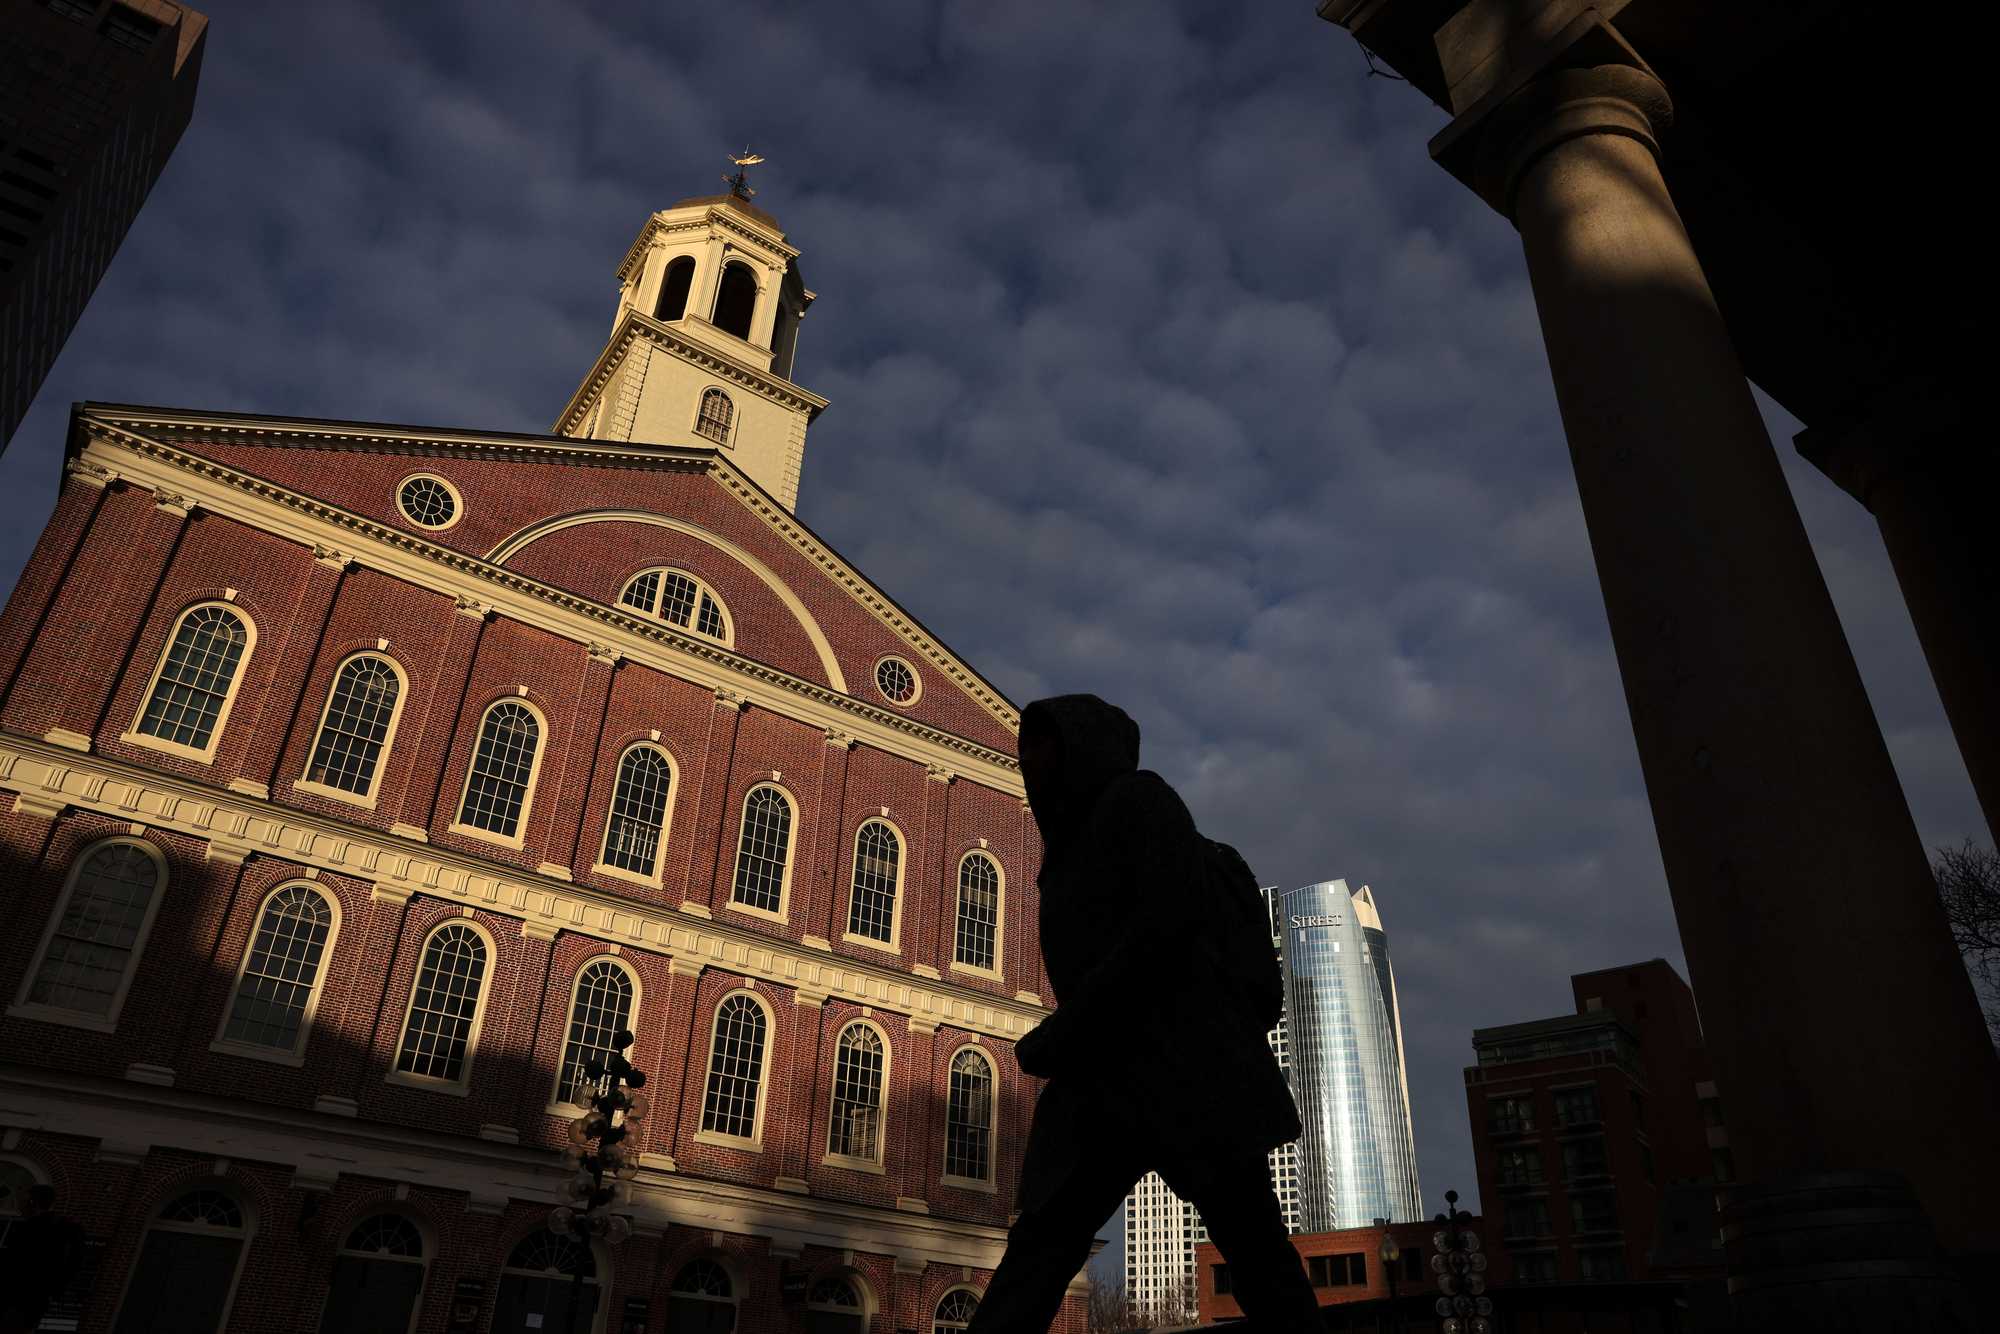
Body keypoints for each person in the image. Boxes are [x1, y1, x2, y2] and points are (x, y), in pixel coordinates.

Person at [967, 694, 1320, 1334]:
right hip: (1104, 1071)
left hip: (1183, 1065)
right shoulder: (1064, 853)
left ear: (1082, 747)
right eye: (1025, 751)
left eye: (1042, 748)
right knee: (1044, 1241)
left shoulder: (1137, 802)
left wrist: (1066, 1029)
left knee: (1252, 1247)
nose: (1028, 764)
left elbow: (1166, 926)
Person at [0, 1183, 84, 1334]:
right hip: (36, 1300)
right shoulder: (66, 1228)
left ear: (32, 1202)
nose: (19, 1205)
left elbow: (14, 1264)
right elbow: (74, 1264)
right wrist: (55, 1291)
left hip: (17, 1298)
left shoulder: (31, 1229)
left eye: (22, 1200)